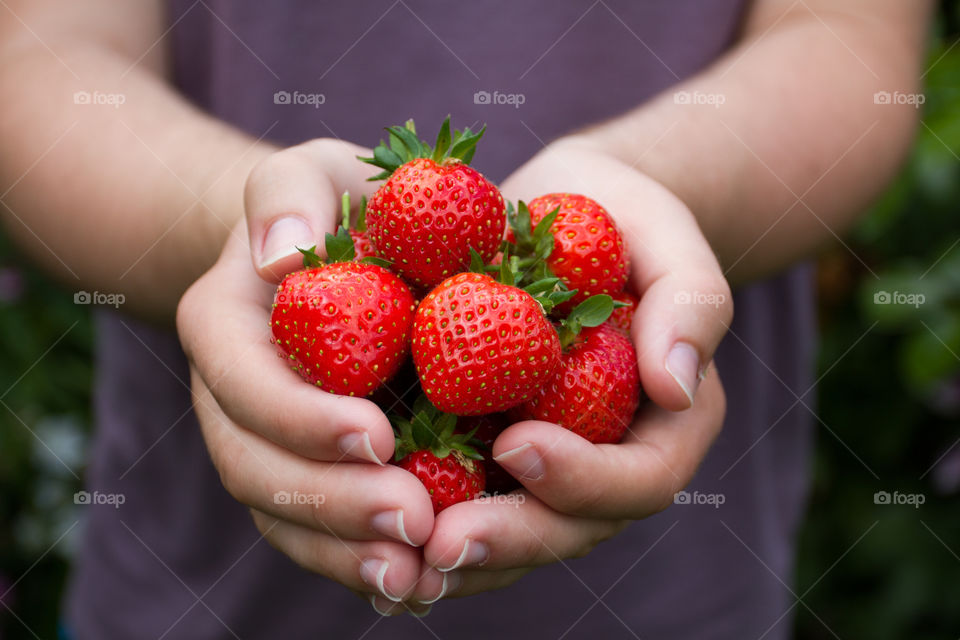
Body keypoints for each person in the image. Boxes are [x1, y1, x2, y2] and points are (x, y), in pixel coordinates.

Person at [0, 0, 931, 637]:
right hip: (195, 604)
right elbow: (37, 62)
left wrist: (661, 182)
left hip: (675, 607)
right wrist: (237, 219)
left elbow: (847, 38)